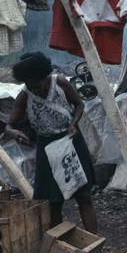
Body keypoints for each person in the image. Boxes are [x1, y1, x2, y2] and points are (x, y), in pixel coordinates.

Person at [5, 52, 98, 234]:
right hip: (46, 148)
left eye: (37, 86)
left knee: (84, 196)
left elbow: (79, 104)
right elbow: (9, 124)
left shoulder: (60, 82)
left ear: (45, 76)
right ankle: (59, 247)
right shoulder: (25, 95)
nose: (35, 90)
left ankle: (95, 242)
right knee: (53, 201)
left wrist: (73, 123)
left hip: (71, 142)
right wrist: (14, 132)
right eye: (30, 86)